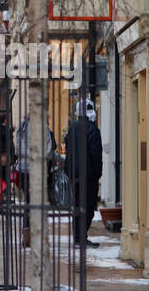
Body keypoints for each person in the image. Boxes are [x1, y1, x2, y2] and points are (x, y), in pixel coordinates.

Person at [64, 99, 103, 247]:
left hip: (74, 174)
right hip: (89, 175)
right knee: (88, 205)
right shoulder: (92, 129)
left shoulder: (73, 128)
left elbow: (68, 149)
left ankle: (78, 237)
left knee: (78, 204)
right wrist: (97, 173)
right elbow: (95, 153)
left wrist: (68, 170)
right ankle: (81, 237)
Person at [15, 112, 56, 243]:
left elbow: (17, 149)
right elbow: (49, 147)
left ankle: (27, 234)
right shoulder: (42, 125)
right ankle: (35, 234)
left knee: (29, 201)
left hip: (22, 169)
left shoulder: (22, 126)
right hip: (36, 169)